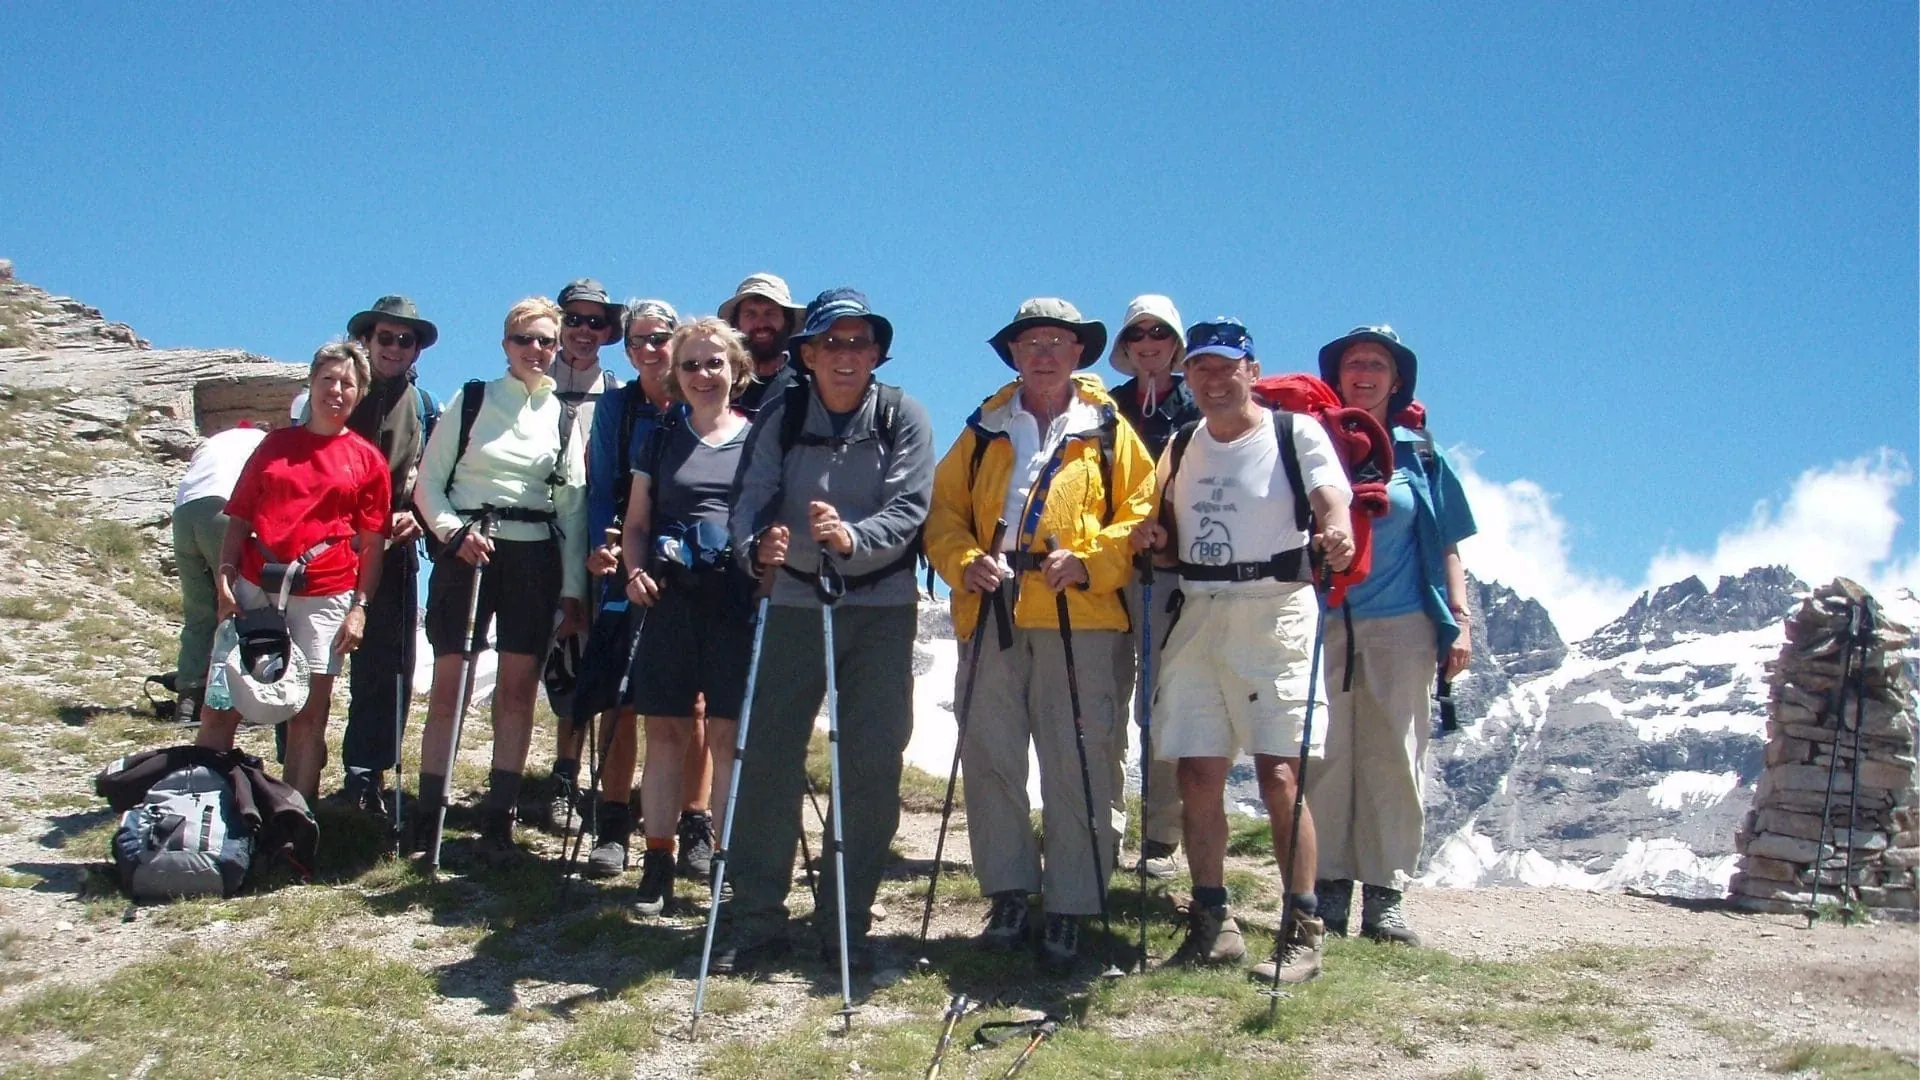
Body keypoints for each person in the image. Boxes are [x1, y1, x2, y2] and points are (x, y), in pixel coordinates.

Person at [924, 298, 1155, 971]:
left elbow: (1139, 514)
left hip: (1081, 615)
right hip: (993, 611)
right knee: (992, 756)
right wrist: (966, 564)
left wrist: (1090, 560)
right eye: (1032, 342)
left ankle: (1073, 905)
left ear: (1079, 352)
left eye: (1058, 341)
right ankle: (1010, 894)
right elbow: (944, 517)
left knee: (1080, 760)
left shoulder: (1111, 431)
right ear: (1015, 355)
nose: (1045, 353)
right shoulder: (984, 427)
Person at [1129, 318, 1354, 984]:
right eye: (1200, 367)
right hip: (1200, 610)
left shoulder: (1293, 432)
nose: (1213, 378)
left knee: (1281, 775)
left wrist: (1336, 530)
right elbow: (1170, 538)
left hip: (1277, 607)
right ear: (1187, 375)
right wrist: (1151, 539)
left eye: (1227, 366)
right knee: (1197, 772)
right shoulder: (1180, 444)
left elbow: (1329, 498)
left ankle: (1302, 928)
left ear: (1252, 371)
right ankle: (1212, 921)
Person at [716, 288, 933, 973]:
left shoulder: (903, 415)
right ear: (806, 354)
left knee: (870, 763)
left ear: (877, 354)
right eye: (831, 344)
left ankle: (845, 922)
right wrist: (757, 549)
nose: (846, 357)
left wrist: (851, 538)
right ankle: (756, 920)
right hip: (793, 604)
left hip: (880, 607)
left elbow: (910, 507)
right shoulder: (781, 415)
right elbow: (748, 499)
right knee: (768, 761)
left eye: (860, 343)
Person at [1306, 325, 1476, 946]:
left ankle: (1385, 897)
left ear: (1396, 379)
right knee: (1325, 757)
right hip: (1323, 620)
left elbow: (1449, 543)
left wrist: (1457, 620)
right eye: (1354, 363)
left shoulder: (1421, 455)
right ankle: (1325, 891)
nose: (1365, 373)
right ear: (1338, 375)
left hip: (1404, 624)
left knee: (1396, 759)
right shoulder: (1313, 444)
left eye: (1377, 364)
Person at [410, 297, 588, 860]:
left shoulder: (562, 417)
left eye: (546, 342)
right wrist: (452, 534)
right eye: (524, 340)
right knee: (449, 689)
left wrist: (573, 590)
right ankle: (427, 818)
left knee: (516, 689)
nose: (536, 350)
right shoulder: (471, 400)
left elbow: (573, 508)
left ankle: (498, 819)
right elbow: (428, 485)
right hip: (466, 553)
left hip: (533, 558)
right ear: (505, 344)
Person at [196, 343, 392, 803]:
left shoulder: (367, 461)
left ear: (360, 393)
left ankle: (292, 824)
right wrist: (225, 581)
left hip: (325, 594)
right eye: (328, 380)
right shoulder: (274, 445)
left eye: (348, 383)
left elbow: (371, 544)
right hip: (254, 584)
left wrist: (359, 608)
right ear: (311, 383)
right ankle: (201, 808)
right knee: (223, 703)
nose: (337, 391)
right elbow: (240, 518)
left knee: (308, 713)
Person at [619, 317, 755, 914]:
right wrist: (634, 570)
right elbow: (638, 522)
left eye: (714, 362)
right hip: (668, 596)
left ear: (736, 369)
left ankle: (727, 864)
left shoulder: (760, 440)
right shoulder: (659, 438)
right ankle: (657, 862)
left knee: (726, 736)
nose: (703, 374)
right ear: (675, 375)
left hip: (735, 598)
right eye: (691, 365)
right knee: (666, 731)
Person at [577, 298, 693, 878]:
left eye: (662, 338)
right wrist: (606, 549)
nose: (653, 349)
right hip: (626, 561)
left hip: (694, 563)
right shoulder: (615, 410)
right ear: (626, 350)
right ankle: (613, 822)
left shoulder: (702, 398)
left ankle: (691, 823)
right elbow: (600, 488)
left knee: (690, 701)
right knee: (619, 702)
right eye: (642, 340)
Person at [334, 295, 440, 817]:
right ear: (367, 341)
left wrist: (417, 518)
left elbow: (436, 477)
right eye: (386, 338)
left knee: (387, 666)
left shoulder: (428, 407)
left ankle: (365, 774)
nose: (396, 347)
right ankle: (299, 770)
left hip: (394, 548)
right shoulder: (335, 395)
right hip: (328, 548)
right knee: (314, 659)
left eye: (406, 339)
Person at [1105, 294, 1199, 880]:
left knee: (1163, 706)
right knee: (1102, 705)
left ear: (1173, 342)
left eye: (1158, 333)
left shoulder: (1197, 408)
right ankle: (1103, 829)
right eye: (1137, 334)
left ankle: (1161, 839)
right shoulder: (1104, 410)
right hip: (1107, 573)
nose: (1147, 342)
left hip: (1171, 576)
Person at [543, 278, 625, 828]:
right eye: (574, 320)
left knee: (589, 652)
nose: (584, 332)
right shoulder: (529, 382)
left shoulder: (615, 392)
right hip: (535, 538)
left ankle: (574, 778)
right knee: (538, 656)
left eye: (596, 323)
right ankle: (553, 778)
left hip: (594, 541)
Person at [170, 421, 268, 729]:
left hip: (185, 514)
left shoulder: (215, 440)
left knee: (200, 610)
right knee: (240, 604)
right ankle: (241, 703)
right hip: (225, 508)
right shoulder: (263, 439)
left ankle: (188, 700)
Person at [718, 273, 806, 415]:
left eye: (770, 313)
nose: (761, 324)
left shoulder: (807, 385)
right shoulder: (720, 385)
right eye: (750, 314)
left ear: (787, 322)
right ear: (736, 324)